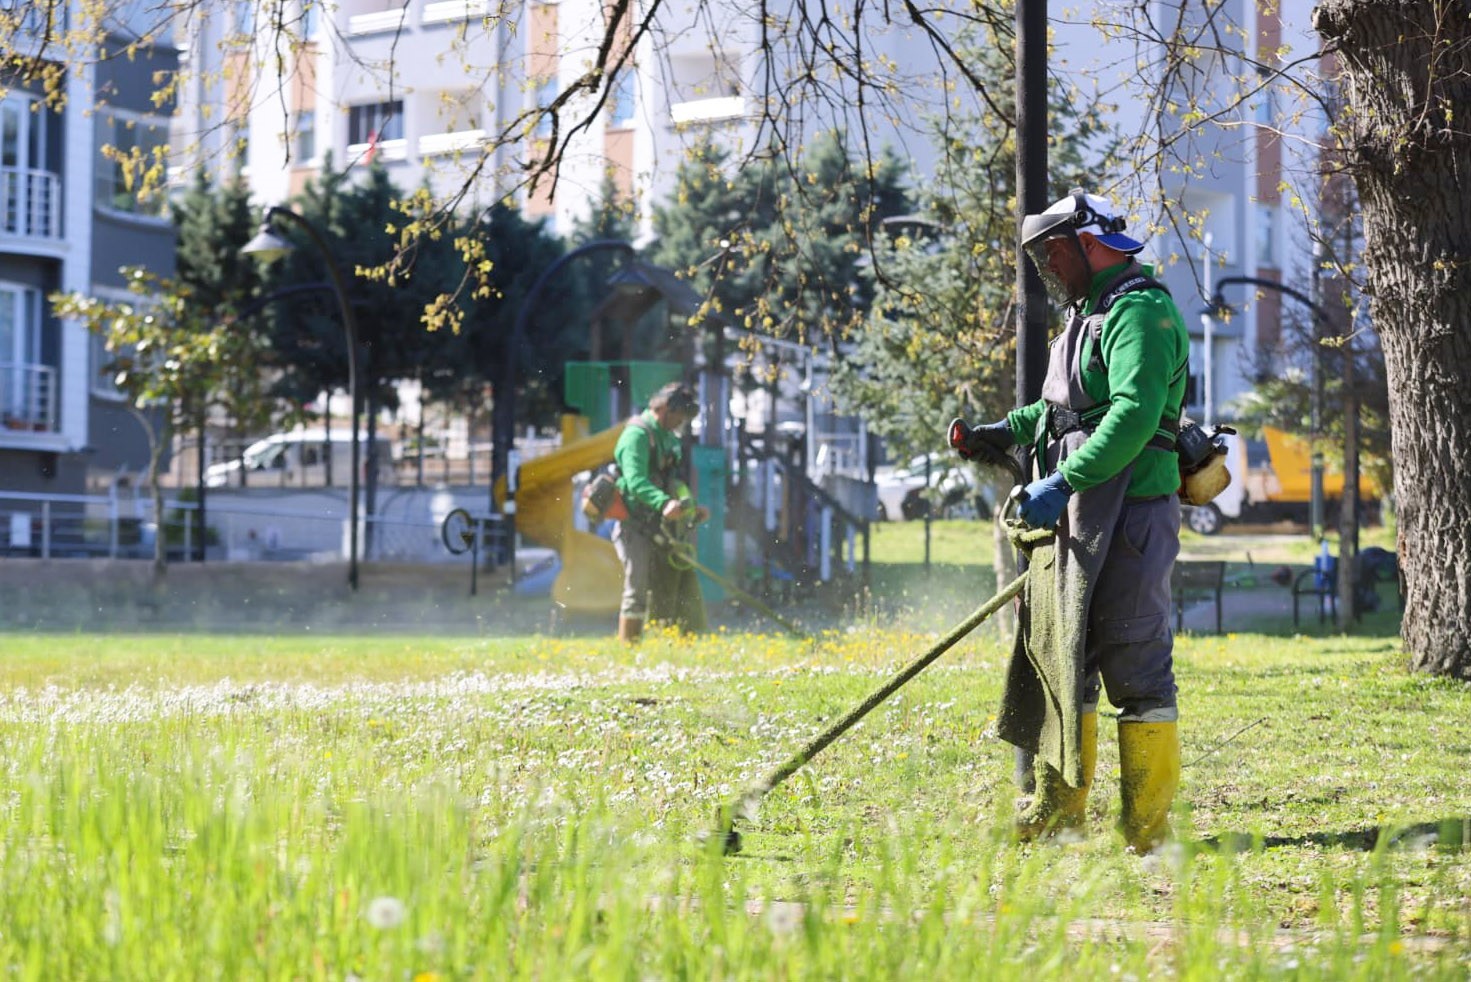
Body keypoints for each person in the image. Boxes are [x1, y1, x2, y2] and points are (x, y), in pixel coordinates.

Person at [957, 189, 1190, 852]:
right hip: (1078, 514)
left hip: (1132, 513)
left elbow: (1133, 415)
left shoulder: (1140, 312)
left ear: (1090, 243)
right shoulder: (1084, 317)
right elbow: (1060, 413)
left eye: (1053, 253)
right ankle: (1058, 813)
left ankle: (1147, 831)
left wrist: (1061, 480)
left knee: (1135, 663)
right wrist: (1000, 430)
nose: (1048, 269)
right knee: (1067, 659)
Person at [611, 381, 710, 643]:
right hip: (635, 524)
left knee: (676, 581)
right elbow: (635, 482)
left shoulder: (668, 437)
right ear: (665, 408)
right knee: (637, 588)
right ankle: (628, 651)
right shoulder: (637, 435)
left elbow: (673, 482)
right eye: (680, 415)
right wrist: (663, 503)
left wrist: (689, 509)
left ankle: (672, 640)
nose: (682, 422)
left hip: (660, 525)